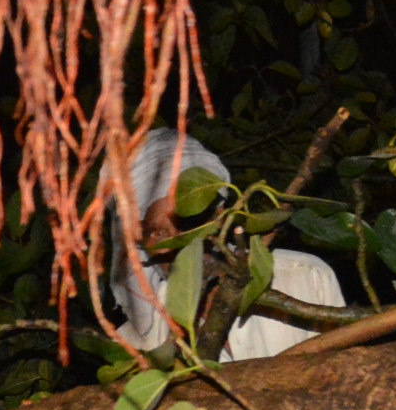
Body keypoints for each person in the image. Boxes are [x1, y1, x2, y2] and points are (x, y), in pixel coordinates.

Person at [109, 128, 347, 362]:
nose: (179, 245)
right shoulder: (138, 346)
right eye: (158, 232)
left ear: (218, 216)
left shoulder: (306, 276)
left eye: (189, 223)